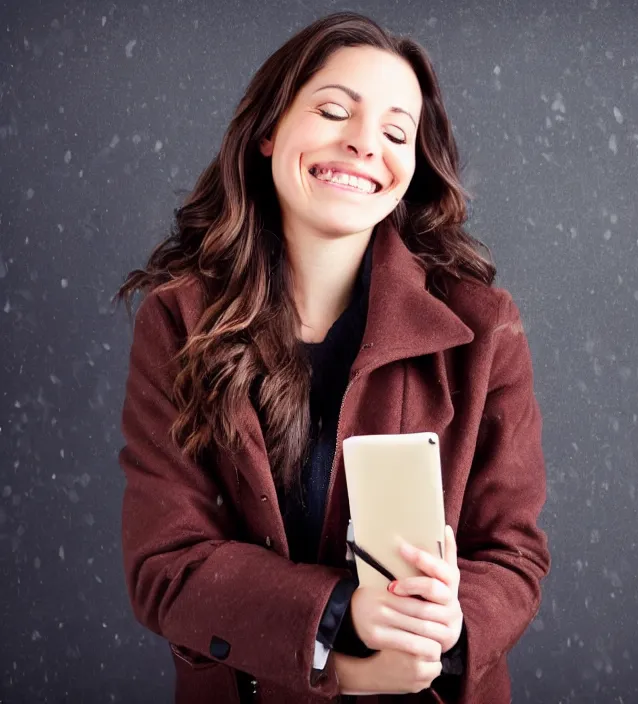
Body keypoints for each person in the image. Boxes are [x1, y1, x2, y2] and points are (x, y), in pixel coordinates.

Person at [113, 10, 551, 704]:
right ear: (267, 132)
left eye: (395, 131)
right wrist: (342, 625)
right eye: (333, 110)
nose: (362, 145)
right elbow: (166, 564)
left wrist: (453, 622)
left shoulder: (484, 327)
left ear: (411, 166)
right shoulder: (180, 319)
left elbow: (514, 554)